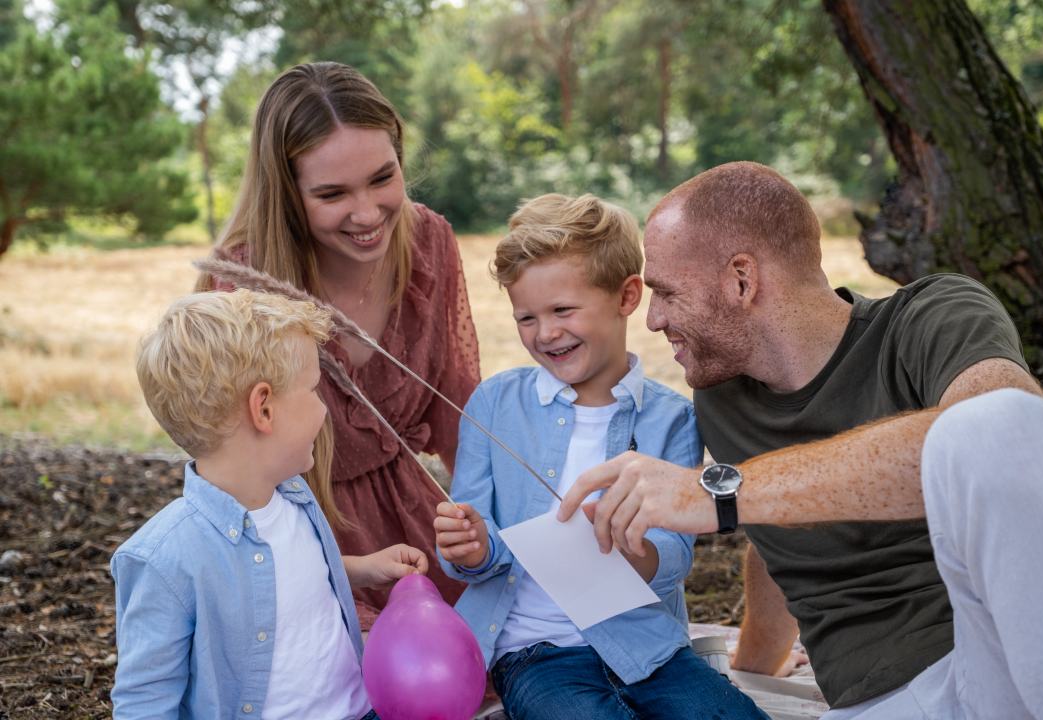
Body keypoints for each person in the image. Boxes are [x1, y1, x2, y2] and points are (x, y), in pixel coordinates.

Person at [556, 162, 1043, 719]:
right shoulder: (724, 398)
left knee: (1001, 422)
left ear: (741, 279)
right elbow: (779, 522)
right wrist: (753, 669)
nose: (654, 319)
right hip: (877, 704)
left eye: (667, 293)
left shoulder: (932, 318)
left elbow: (1001, 442)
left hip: (1000, 657)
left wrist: (716, 492)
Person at [434, 194, 768, 720]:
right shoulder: (494, 405)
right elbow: (474, 556)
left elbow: (674, 556)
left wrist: (628, 548)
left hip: (648, 647)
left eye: (563, 310)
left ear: (627, 295)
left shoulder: (672, 418)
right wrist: (470, 548)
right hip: (534, 653)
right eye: (526, 318)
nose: (545, 333)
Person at [194, 62, 480, 627]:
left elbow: (458, 410)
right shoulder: (239, 285)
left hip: (419, 538)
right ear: (287, 193)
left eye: (382, 177)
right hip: (306, 549)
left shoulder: (431, 242)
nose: (368, 213)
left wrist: (495, 532)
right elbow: (231, 476)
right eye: (331, 193)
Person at [112, 290, 429, 719]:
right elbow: (145, 701)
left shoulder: (294, 496)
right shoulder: (165, 560)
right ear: (263, 408)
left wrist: (366, 568)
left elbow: (296, 577)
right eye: (314, 390)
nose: (323, 411)